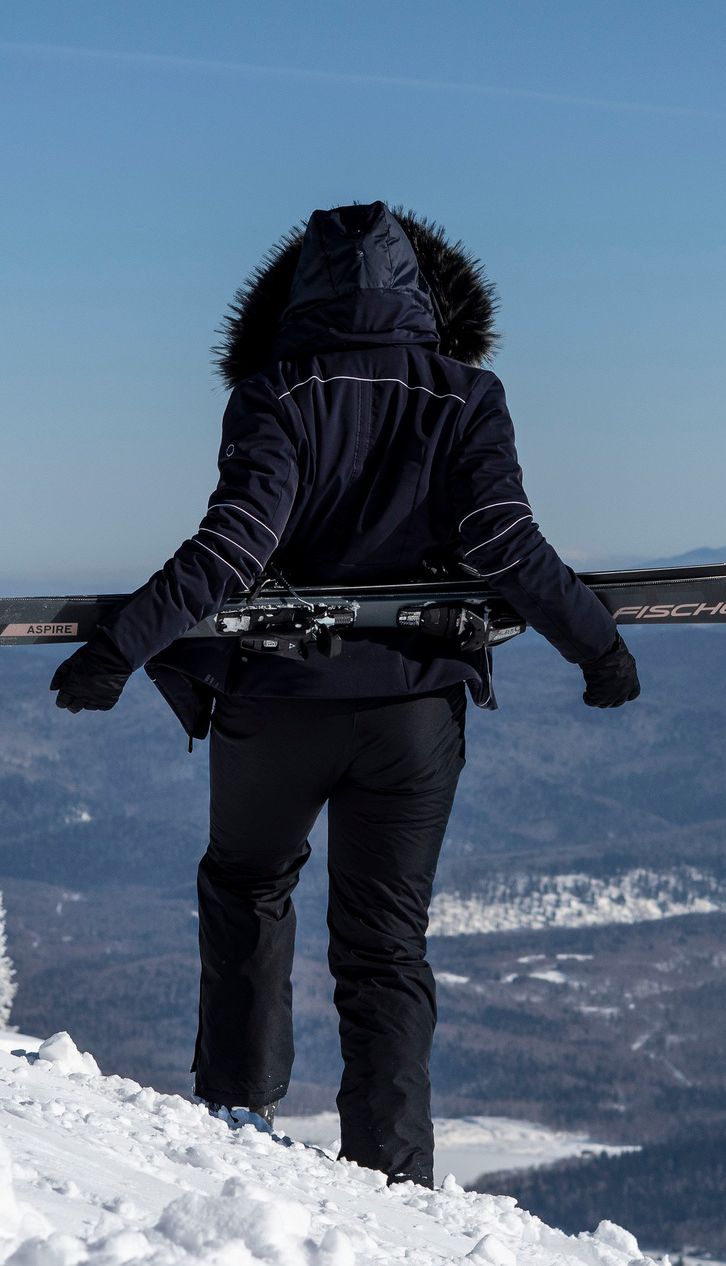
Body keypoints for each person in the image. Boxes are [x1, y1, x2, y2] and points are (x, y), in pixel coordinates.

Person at [47, 201, 640, 1187]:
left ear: (299, 295)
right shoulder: (466, 396)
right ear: (421, 294)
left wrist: (118, 650)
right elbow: (503, 544)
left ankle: (237, 1117)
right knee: (385, 946)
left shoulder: (274, 393)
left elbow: (234, 547)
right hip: (410, 712)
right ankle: (394, 1175)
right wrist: (597, 648)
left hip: (274, 705)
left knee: (245, 886)